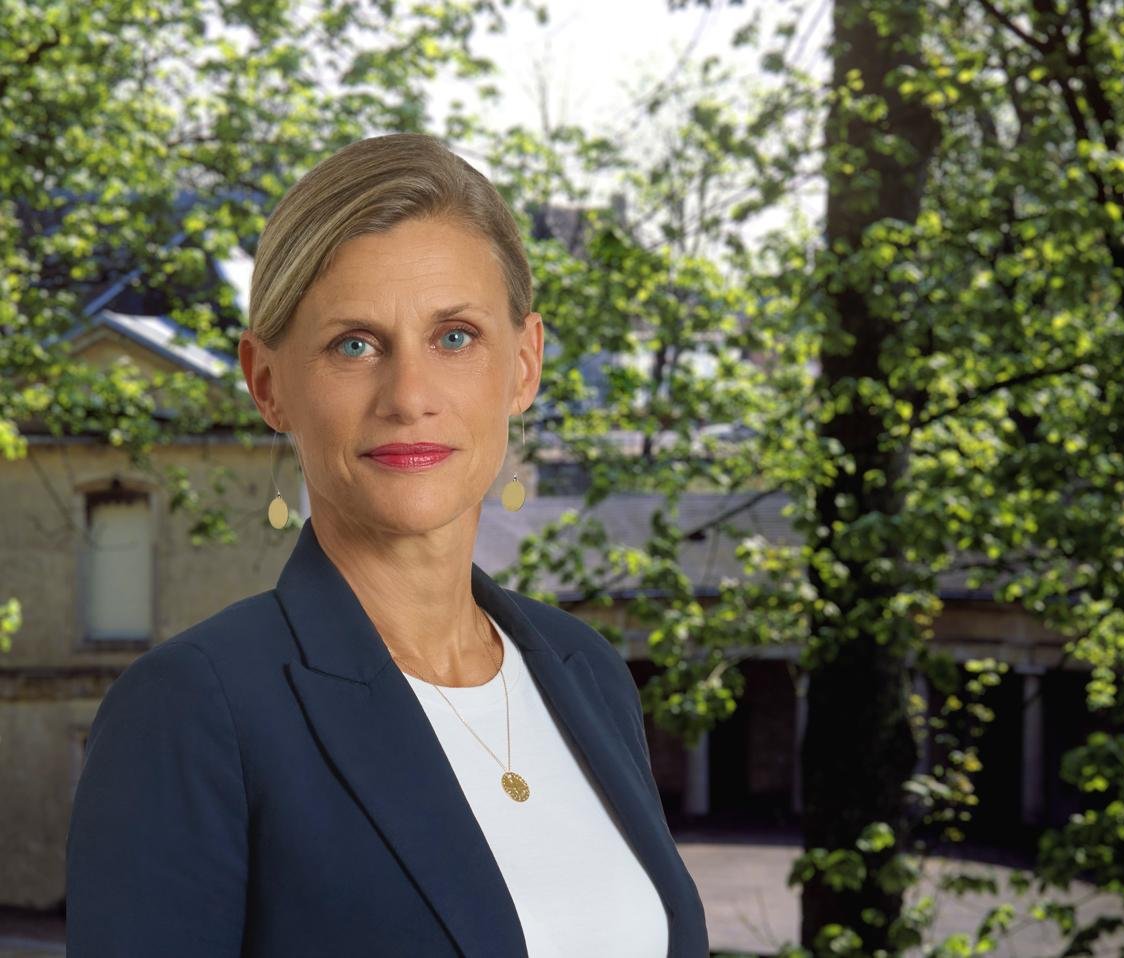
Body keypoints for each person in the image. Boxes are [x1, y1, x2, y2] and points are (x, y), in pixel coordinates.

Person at [64, 132, 709, 957]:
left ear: (523, 364)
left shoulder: (587, 671)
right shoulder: (193, 712)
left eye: (454, 338)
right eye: (355, 345)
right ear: (268, 383)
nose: (410, 397)